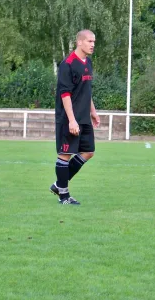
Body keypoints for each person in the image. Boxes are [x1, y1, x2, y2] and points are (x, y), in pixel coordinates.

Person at [49, 30, 101, 205]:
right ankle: (64, 196)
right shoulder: (68, 64)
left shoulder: (88, 62)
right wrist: (71, 120)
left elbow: (86, 90)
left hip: (84, 117)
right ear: (79, 42)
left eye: (94, 41)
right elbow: (65, 94)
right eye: (89, 41)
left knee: (89, 151)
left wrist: (92, 111)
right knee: (65, 154)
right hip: (68, 118)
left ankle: (59, 184)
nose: (93, 44)